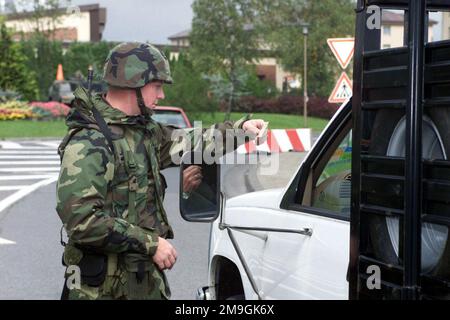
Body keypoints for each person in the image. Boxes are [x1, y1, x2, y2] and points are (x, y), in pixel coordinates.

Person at [56, 42, 265, 300]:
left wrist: (240, 130)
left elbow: (192, 141)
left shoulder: (143, 133)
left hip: (140, 283)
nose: (161, 95)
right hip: (100, 291)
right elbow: (82, 221)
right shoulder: (90, 141)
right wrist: (151, 243)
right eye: (157, 86)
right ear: (135, 82)